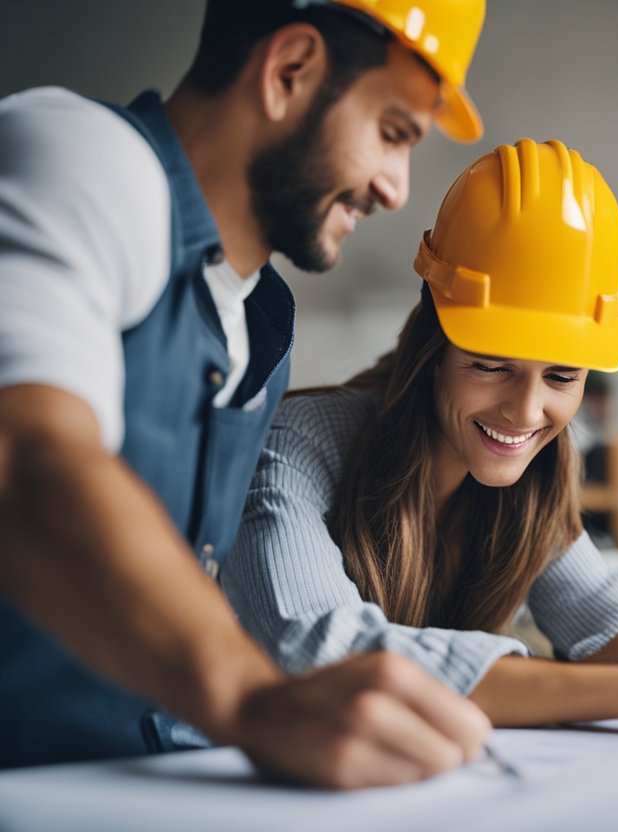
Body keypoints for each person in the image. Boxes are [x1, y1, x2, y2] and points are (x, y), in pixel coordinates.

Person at [0, 0, 498, 787]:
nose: (396, 188)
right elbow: (29, 460)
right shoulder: (83, 156)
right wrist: (251, 696)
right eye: (393, 133)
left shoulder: (257, 317)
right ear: (289, 69)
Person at [222, 138, 618, 741]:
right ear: (433, 347)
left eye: (561, 375)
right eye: (491, 365)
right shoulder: (295, 446)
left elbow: (614, 625)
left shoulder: (532, 481)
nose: (526, 413)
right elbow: (317, 650)